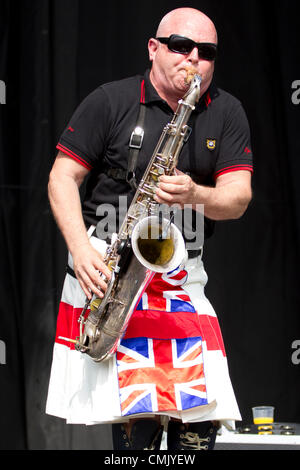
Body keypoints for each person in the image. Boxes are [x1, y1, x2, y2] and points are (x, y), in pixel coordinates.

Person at [46, 7, 253, 451]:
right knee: (133, 433)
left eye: (207, 52)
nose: (193, 58)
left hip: (182, 277)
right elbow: (61, 178)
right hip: (113, 274)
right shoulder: (110, 100)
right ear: (154, 48)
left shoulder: (227, 111)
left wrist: (196, 194)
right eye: (181, 46)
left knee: (198, 420)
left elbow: (238, 198)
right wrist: (81, 251)